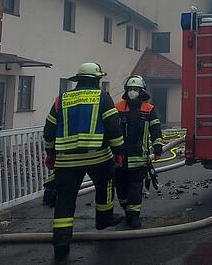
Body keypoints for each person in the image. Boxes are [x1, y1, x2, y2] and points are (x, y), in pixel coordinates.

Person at [43, 63, 125, 261]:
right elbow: (114, 127)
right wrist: (119, 152)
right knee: (105, 186)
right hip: (98, 157)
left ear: (78, 80)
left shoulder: (61, 99)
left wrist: (50, 153)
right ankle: (104, 220)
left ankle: (61, 244)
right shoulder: (103, 98)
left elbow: (49, 130)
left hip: (67, 161)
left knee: (65, 199)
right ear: (97, 80)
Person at [114, 75, 163, 229]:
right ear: (126, 90)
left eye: (135, 89)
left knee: (135, 188)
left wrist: (158, 146)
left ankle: (133, 217)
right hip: (119, 158)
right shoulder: (117, 107)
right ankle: (126, 209)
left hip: (139, 158)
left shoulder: (149, 109)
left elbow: (155, 129)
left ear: (141, 91)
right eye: (130, 89)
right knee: (120, 189)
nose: (132, 92)